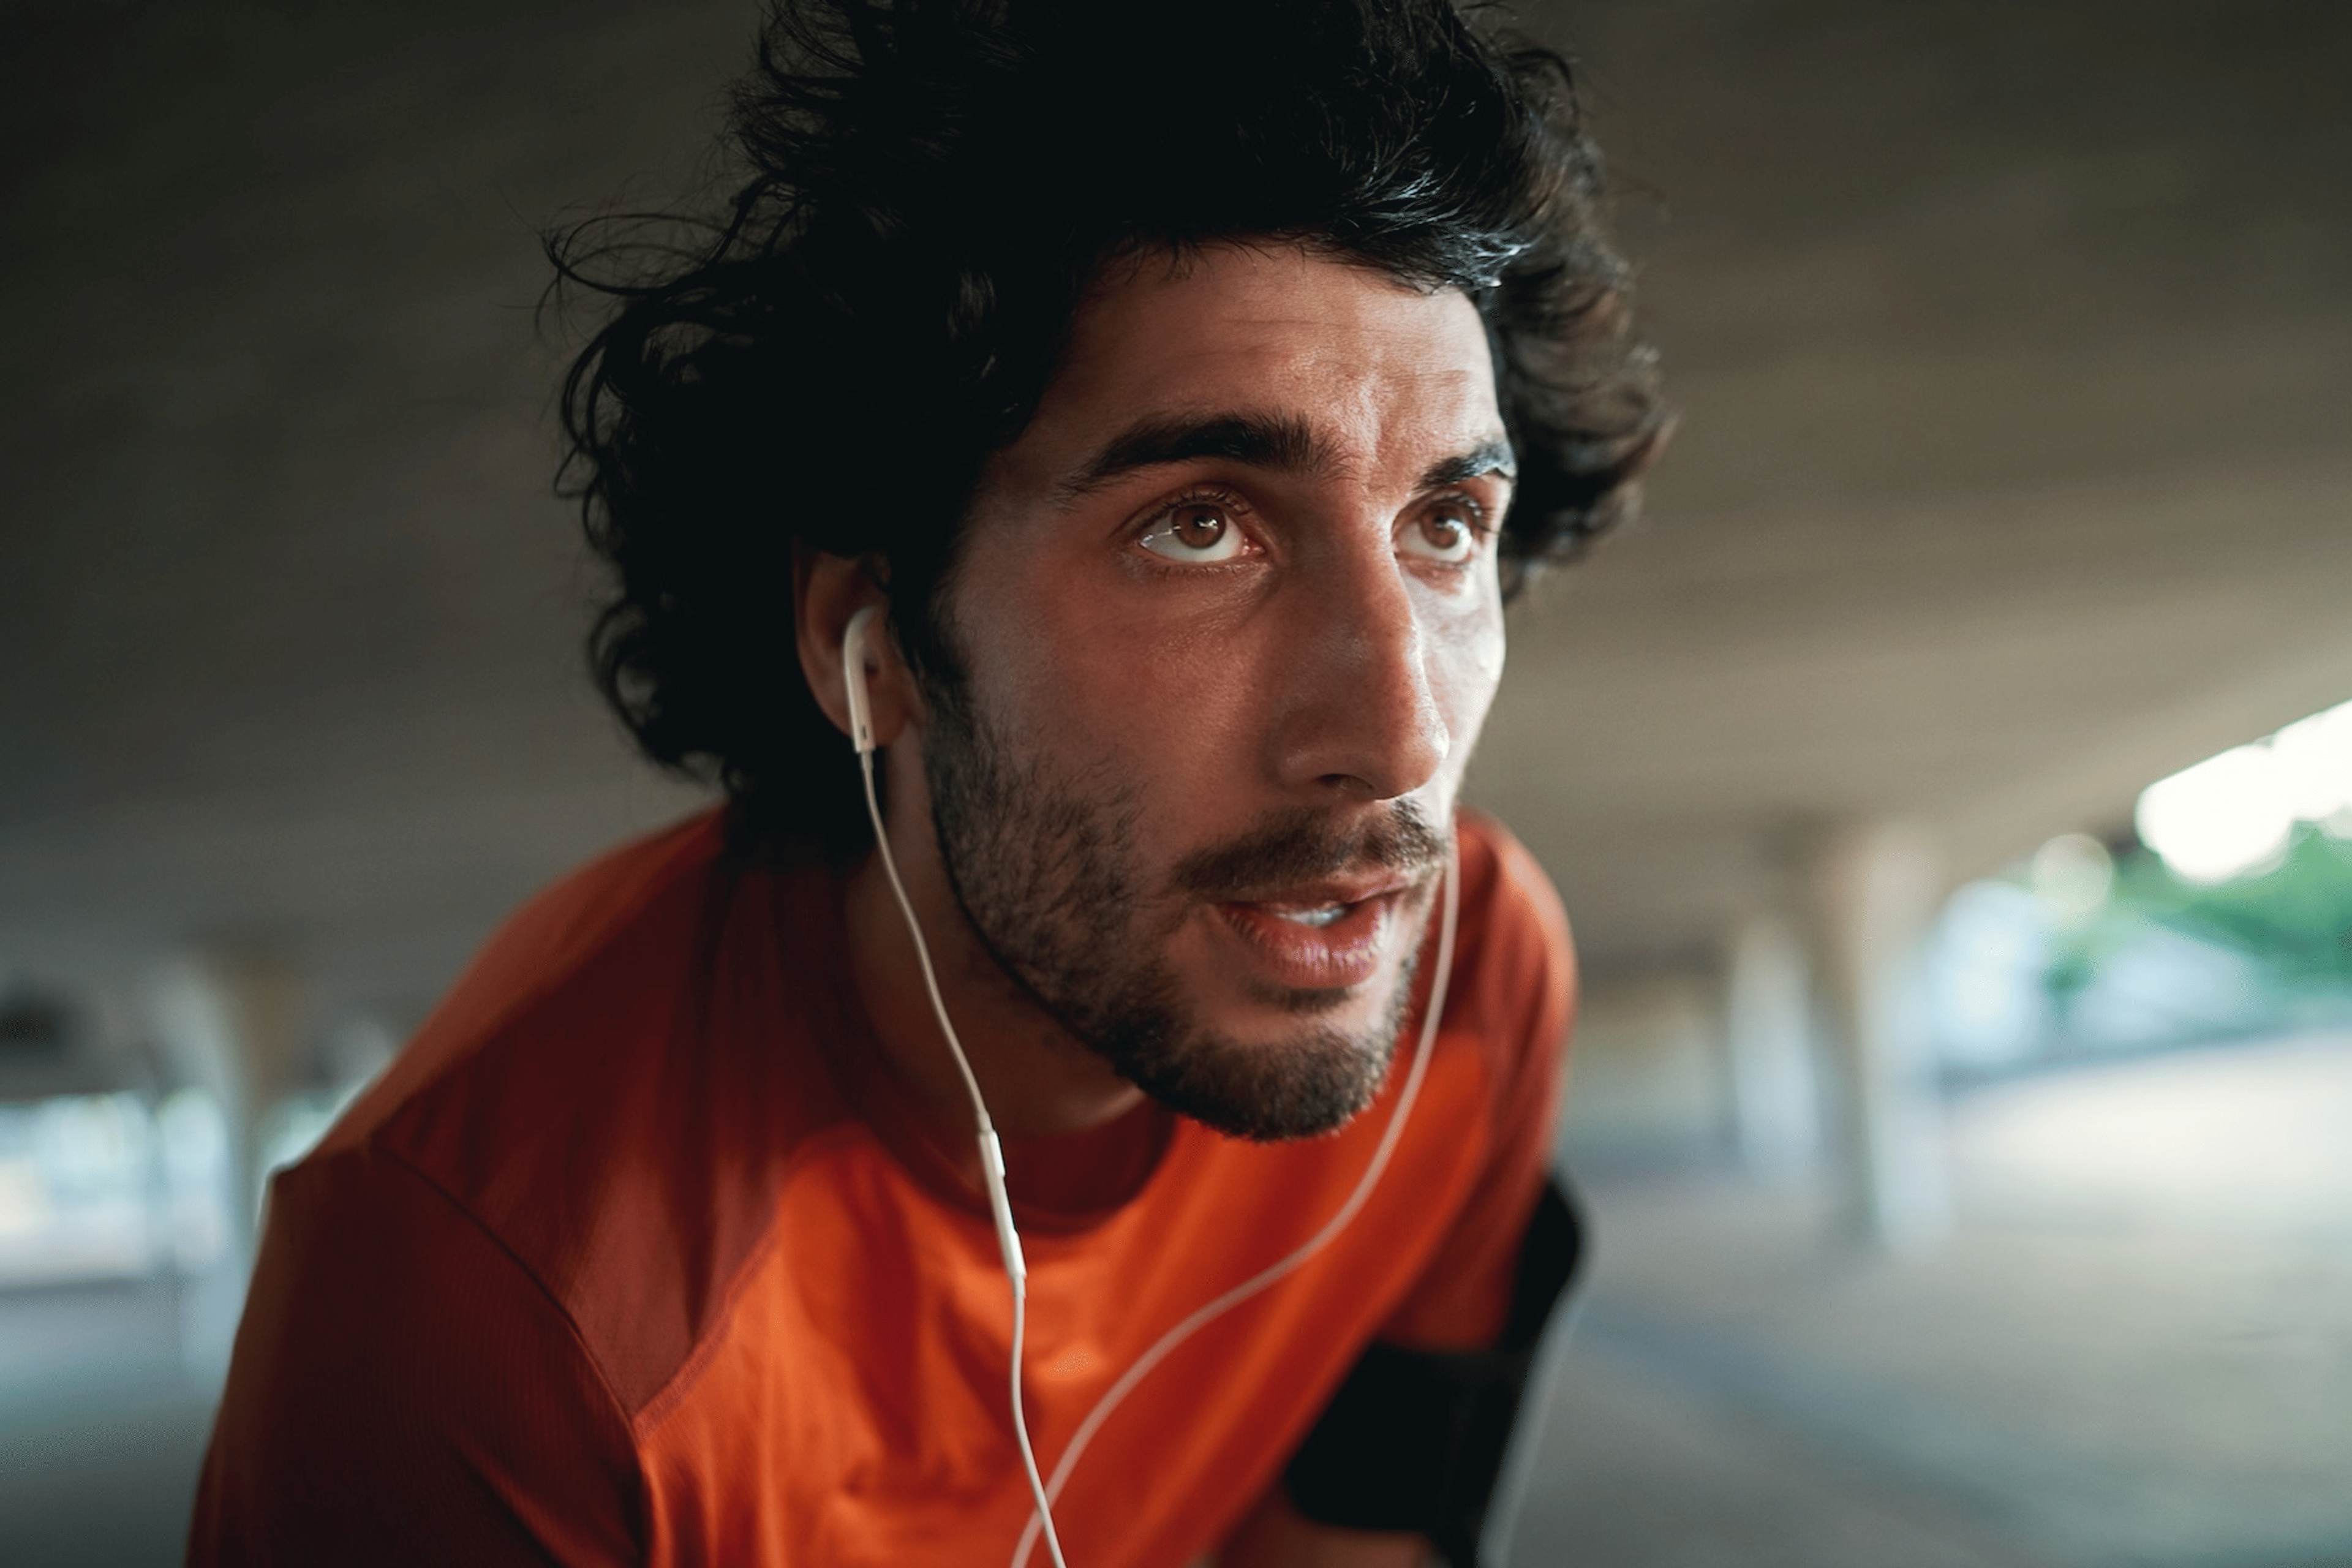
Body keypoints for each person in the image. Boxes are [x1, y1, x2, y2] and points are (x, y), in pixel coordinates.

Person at [189, 0, 1666, 1562]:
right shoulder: (486, 1297)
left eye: (1445, 525)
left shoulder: (1472, 976)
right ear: (873, 643)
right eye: (1202, 525)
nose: (1405, 738)